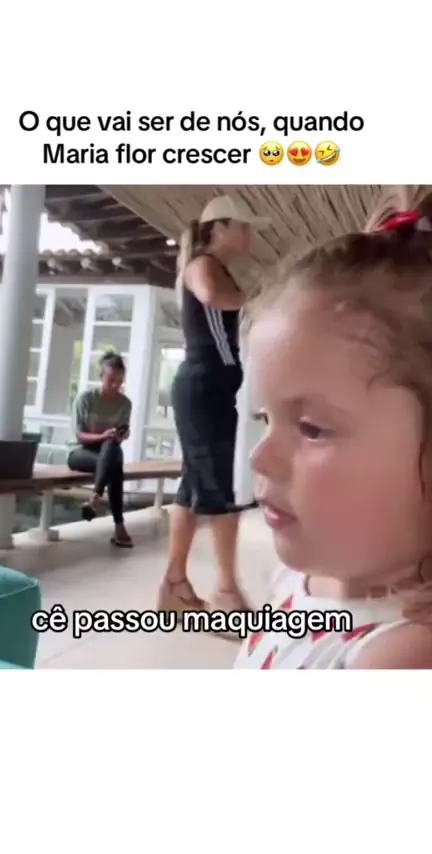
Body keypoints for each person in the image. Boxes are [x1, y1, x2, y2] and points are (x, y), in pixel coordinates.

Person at [235, 186, 432, 669]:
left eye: (311, 428)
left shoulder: (396, 658)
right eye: (265, 418)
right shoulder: (300, 580)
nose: (259, 457)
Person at [157, 194, 270, 617]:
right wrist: (255, 298)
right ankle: (226, 594)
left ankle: (174, 584)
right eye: (243, 226)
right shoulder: (203, 265)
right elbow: (208, 294)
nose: (249, 234)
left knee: (192, 489)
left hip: (207, 391)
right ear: (220, 229)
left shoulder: (216, 267)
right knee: (221, 491)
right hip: (203, 389)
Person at [68, 351, 133, 548]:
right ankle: (119, 526)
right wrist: (103, 436)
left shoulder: (125, 404)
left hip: (107, 450)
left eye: (119, 381)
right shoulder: (85, 399)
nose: (115, 385)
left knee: (112, 451)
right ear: (101, 377)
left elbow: (118, 436)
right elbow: (79, 436)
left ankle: (95, 498)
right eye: (111, 380)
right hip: (80, 452)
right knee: (114, 464)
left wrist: (121, 435)